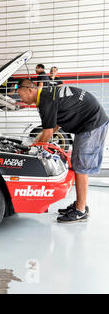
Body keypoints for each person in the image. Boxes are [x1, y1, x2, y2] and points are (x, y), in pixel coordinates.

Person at [16, 79, 109, 223]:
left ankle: (80, 211)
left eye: (20, 95)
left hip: (92, 123)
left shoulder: (45, 101)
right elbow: (55, 125)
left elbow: (47, 133)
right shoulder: (47, 94)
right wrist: (36, 143)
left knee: (81, 168)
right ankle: (81, 204)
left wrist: (34, 149)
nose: (20, 99)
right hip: (90, 120)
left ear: (29, 90)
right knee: (78, 164)